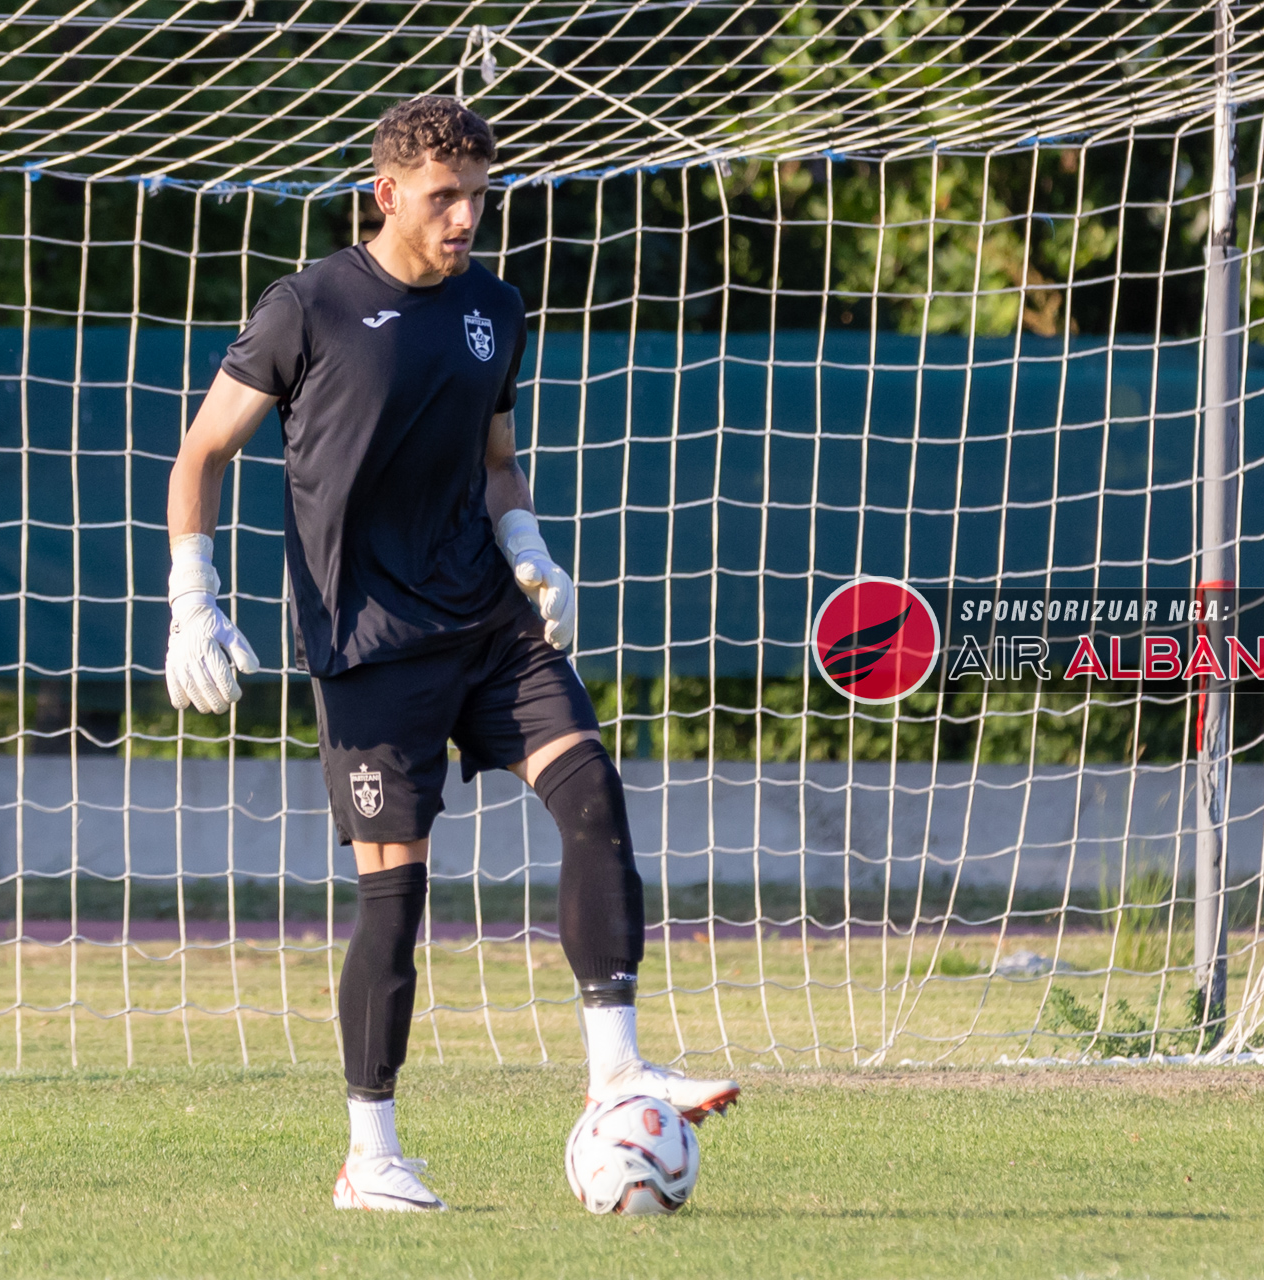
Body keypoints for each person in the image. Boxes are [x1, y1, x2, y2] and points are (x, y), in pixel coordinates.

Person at [164, 95, 739, 1213]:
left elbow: (496, 460)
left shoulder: (493, 308)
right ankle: (370, 1156)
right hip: (372, 651)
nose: (466, 217)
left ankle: (617, 1067)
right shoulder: (308, 306)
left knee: (592, 789)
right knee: (396, 896)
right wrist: (195, 601)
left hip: (487, 623)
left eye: (479, 195)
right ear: (386, 194)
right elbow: (201, 453)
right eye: (444, 197)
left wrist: (528, 547)